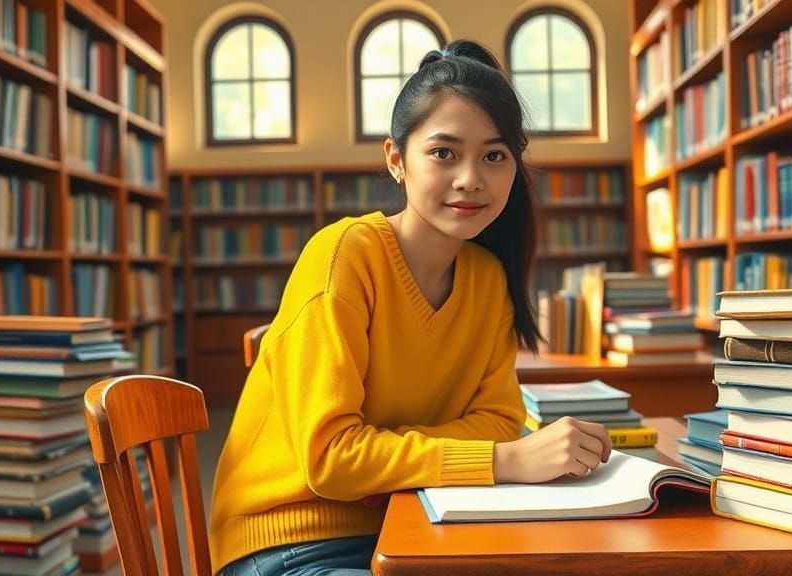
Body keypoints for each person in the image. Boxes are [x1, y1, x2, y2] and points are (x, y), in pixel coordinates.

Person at [211, 39, 613, 576]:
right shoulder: (344, 256)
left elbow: (498, 420)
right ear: (396, 159)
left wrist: (395, 454)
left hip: (416, 521)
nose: (471, 177)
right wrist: (504, 459)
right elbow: (331, 460)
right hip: (290, 539)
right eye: (444, 153)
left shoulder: (488, 278)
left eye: (494, 156)